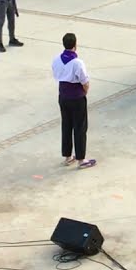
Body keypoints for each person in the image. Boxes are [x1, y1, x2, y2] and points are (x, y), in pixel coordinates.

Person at [53, 33, 95, 169]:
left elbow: (56, 75)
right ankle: (81, 159)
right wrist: (85, 91)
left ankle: (67, 156)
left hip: (63, 96)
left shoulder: (56, 59)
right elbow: (84, 81)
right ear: (75, 45)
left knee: (66, 125)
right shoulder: (77, 62)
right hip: (77, 98)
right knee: (80, 127)